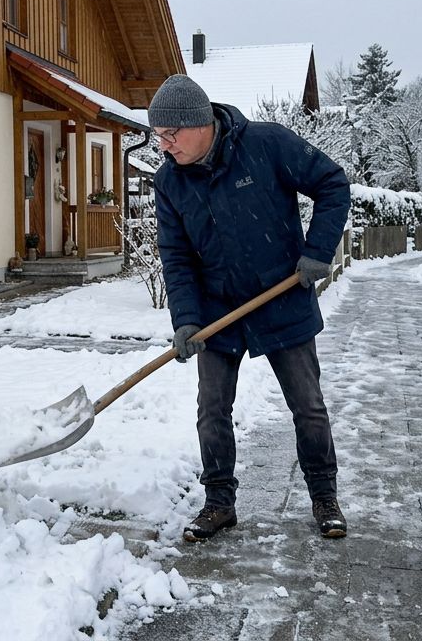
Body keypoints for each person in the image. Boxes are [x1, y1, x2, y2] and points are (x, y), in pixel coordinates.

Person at [148, 74, 352, 542]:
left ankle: (324, 497)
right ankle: (219, 503)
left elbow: (332, 183)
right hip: (218, 311)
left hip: (281, 296)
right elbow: (175, 257)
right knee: (212, 408)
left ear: (199, 124)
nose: (163, 145)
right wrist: (186, 321)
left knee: (308, 406)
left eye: (170, 134)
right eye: (157, 135)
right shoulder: (170, 182)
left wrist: (319, 249)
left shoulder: (266, 144)